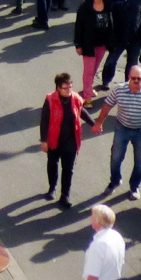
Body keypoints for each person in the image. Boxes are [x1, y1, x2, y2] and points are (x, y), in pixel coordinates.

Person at [92, 63, 141, 200]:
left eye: (139, 78)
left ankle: (134, 187)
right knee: (116, 158)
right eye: (133, 78)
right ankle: (115, 181)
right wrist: (99, 122)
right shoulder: (119, 90)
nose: (136, 81)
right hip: (122, 127)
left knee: (140, 161)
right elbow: (107, 106)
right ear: (129, 77)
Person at [38, 71, 84, 208]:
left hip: (71, 141)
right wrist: (44, 140)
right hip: (54, 139)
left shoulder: (75, 98)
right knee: (52, 164)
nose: (69, 89)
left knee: (68, 169)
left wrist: (95, 124)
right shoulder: (50, 99)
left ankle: (65, 195)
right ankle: (52, 188)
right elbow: (44, 120)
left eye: (71, 86)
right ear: (58, 88)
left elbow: (82, 112)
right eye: (66, 87)